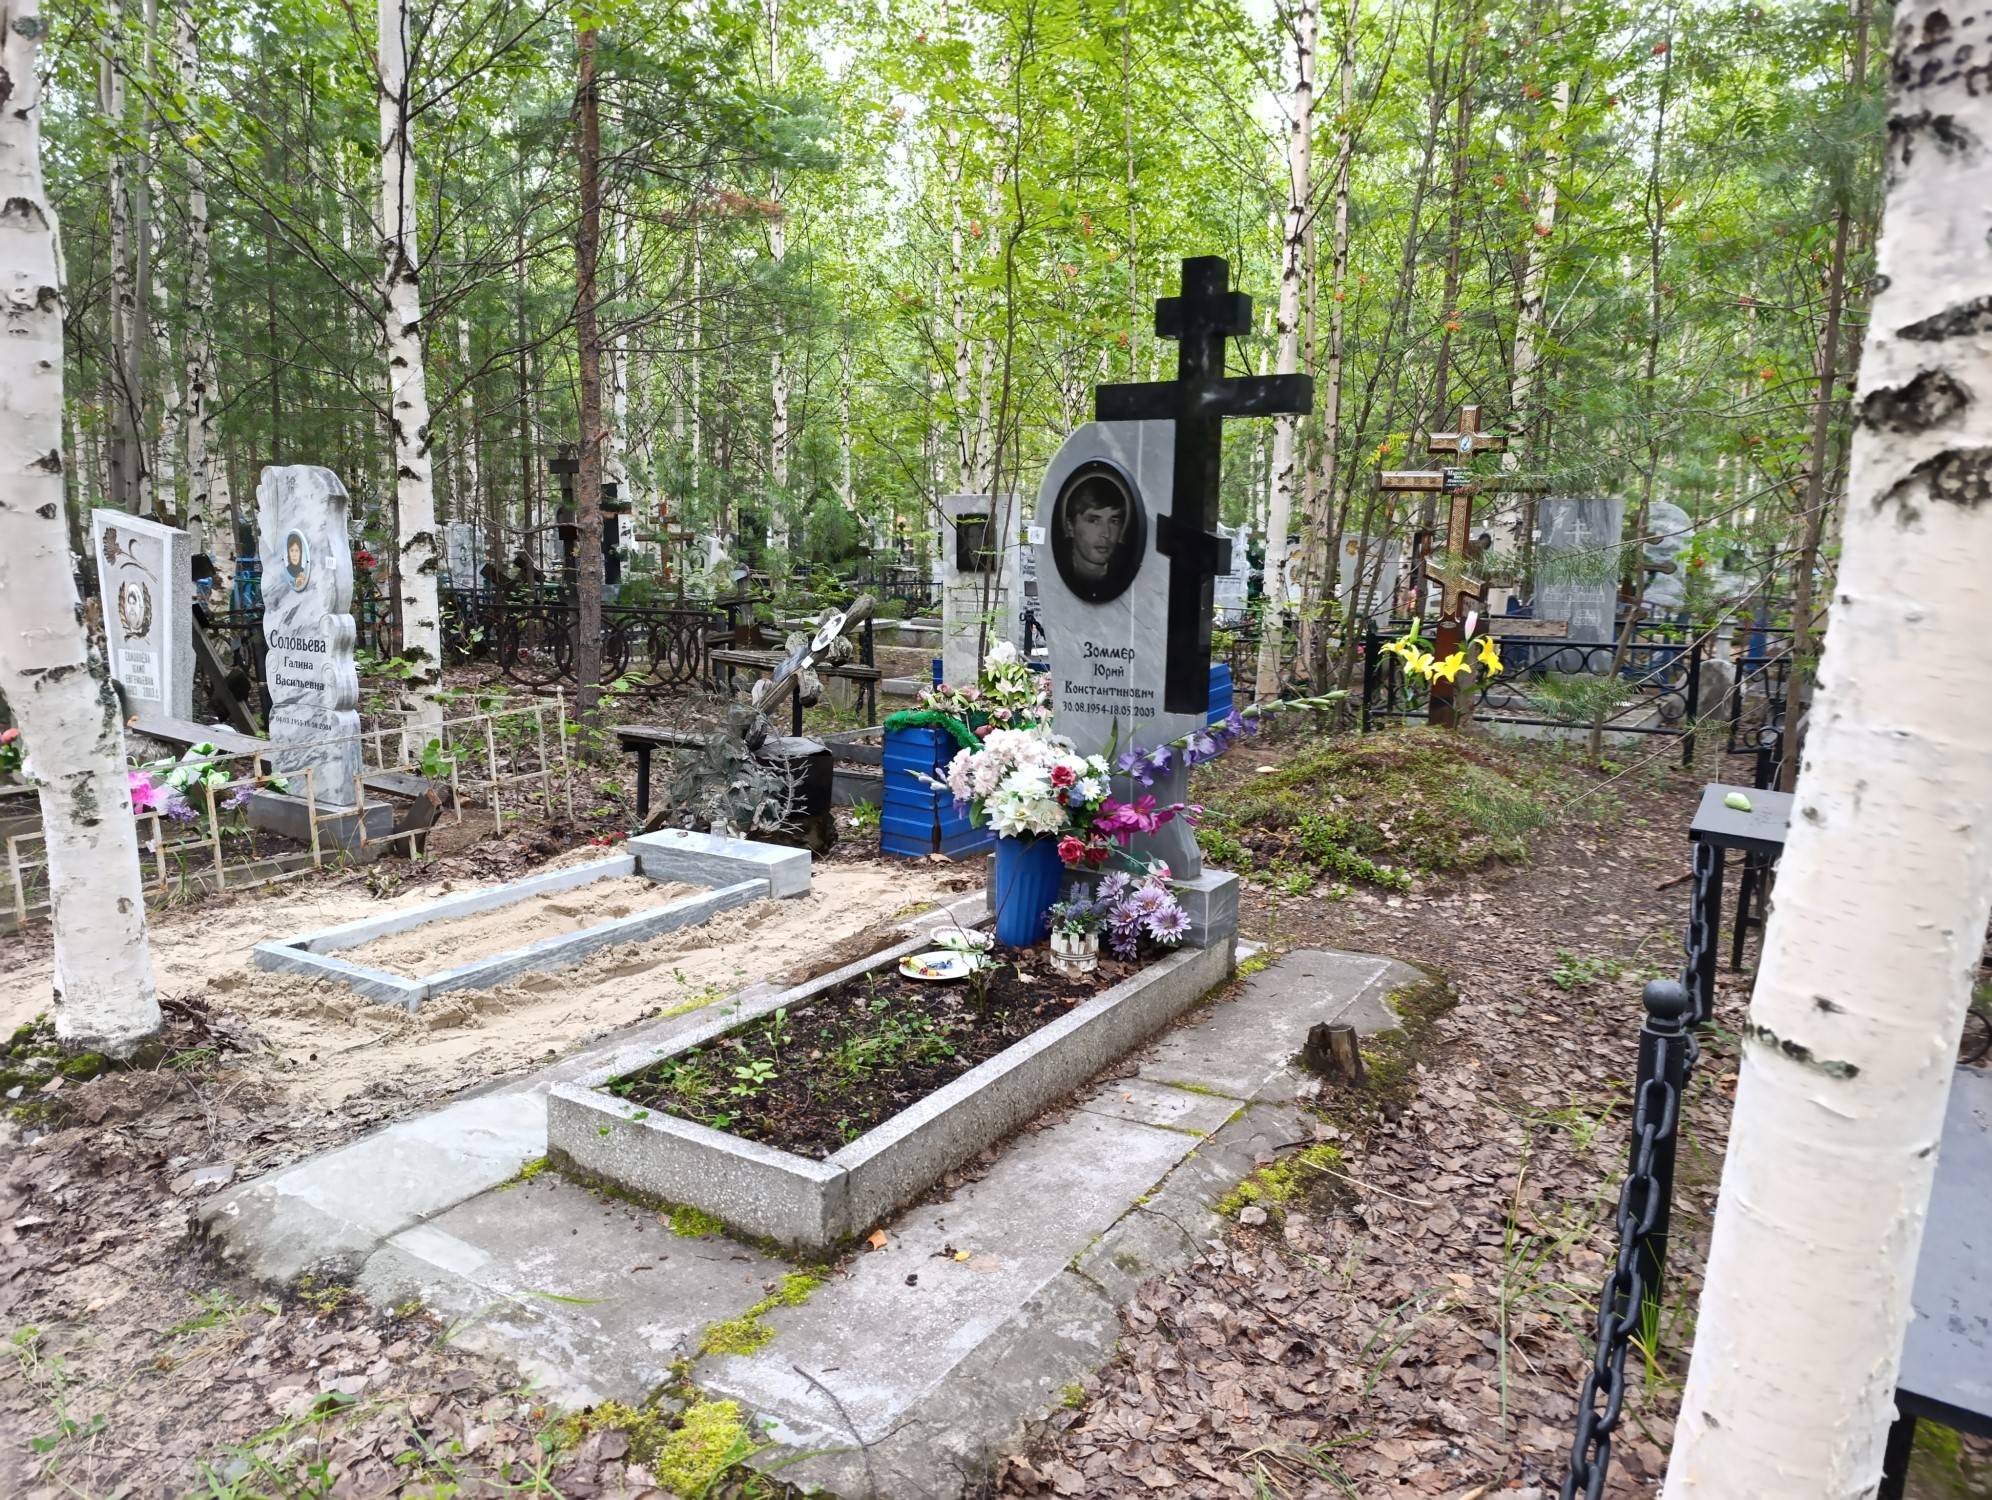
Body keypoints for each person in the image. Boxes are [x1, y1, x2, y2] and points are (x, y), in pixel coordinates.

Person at [1062, 478, 1130, 586]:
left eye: (1114, 522)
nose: (1106, 534)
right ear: (1070, 526)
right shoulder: (1052, 560)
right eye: (1093, 521)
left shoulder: (1130, 563)